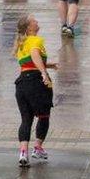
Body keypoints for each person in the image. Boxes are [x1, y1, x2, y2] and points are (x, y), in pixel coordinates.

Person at [13, 16, 56, 167]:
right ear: (29, 28)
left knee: (26, 119)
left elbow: (27, 63)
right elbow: (35, 55)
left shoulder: (21, 43)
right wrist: (44, 73)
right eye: (34, 21)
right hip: (36, 84)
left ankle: (23, 152)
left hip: (22, 83)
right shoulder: (35, 40)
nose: (37, 22)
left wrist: (49, 65)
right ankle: (37, 147)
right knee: (44, 116)